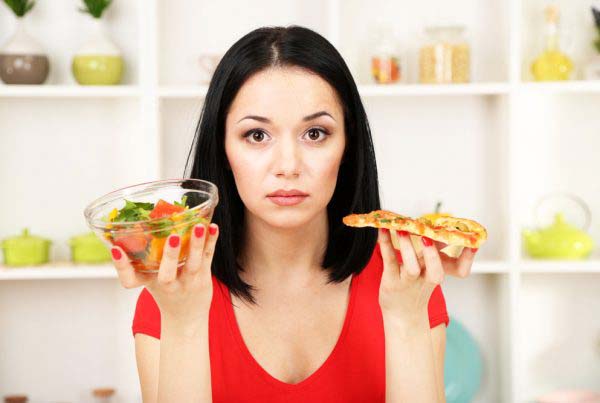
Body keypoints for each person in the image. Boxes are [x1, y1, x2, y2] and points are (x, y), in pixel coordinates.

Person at [110, 25, 478, 403]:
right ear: (222, 149)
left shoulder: (406, 284)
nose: (288, 165)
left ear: (347, 146)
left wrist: (406, 321)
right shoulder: (174, 292)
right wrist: (184, 323)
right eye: (256, 135)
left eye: (315, 133)